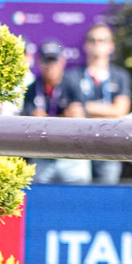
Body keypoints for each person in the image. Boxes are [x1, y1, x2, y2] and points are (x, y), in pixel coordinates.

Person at [63, 24, 132, 183]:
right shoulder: (72, 76)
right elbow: (74, 112)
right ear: (85, 45)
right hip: (79, 146)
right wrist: (108, 112)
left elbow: (120, 110)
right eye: (93, 40)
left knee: (106, 196)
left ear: (111, 46)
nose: (97, 44)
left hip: (109, 146)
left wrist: (87, 109)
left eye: (102, 40)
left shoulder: (120, 76)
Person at [20, 41, 88, 185]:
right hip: (42, 154)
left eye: (54, 60)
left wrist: (45, 119)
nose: (51, 66)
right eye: (46, 60)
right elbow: (29, 125)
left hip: (71, 156)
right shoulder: (32, 89)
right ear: (39, 62)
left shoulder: (72, 84)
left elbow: (80, 120)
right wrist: (64, 118)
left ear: (62, 61)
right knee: (37, 196)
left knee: (81, 197)